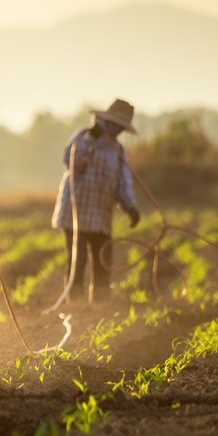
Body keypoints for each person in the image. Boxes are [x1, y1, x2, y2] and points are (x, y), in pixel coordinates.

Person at [50, 98, 140, 303]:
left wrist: (130, 207)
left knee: (103, 262)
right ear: (105, 121)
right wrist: (91, 139)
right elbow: (71, 162)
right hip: (75, 213)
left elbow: (122, 183)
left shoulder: (118, 151)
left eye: (121, 127)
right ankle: (75, 308)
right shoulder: (82, 137)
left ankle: (99, 308)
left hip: (101, 215)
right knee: (76, 261)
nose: (117, 130)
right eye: (115, 125)